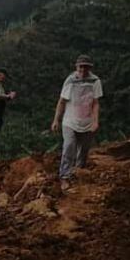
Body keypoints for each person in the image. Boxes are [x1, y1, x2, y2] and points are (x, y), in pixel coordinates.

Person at [51, 54, 103, 187]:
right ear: (76, 67)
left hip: (87, 121)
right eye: (81, 67)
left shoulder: (95, 81)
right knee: (69, 146)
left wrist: (96, 121)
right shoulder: (70, 80)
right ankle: (65, 176)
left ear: (90, 68)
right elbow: (62, 101)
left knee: (84, 150)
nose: (83, 70)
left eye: (86, 67)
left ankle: (78, 173)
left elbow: (96, 103)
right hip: (70, 121)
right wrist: (56, 120)